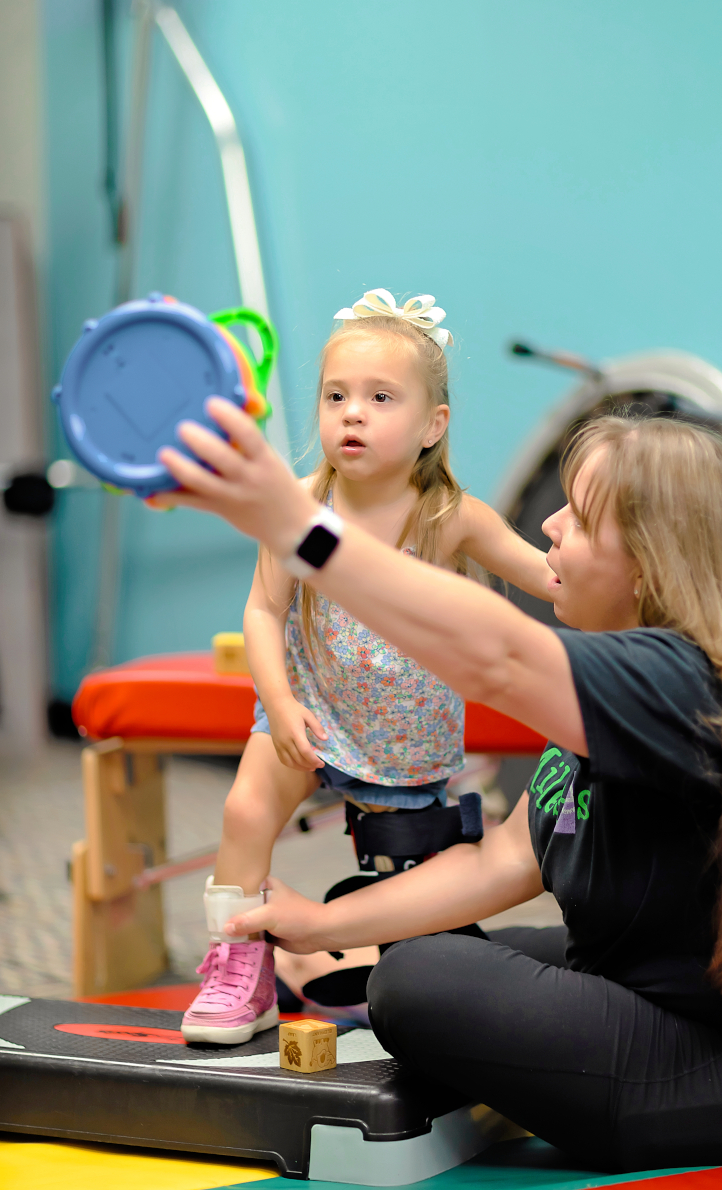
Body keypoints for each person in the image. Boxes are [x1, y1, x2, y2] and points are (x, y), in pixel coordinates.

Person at [157, 399, 722, 1171]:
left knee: (418, 978)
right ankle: (337, 970)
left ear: (651, 566)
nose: (550, 526)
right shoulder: (626, 681)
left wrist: (300, 525)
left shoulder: (686, 683)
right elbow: (499, 864)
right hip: (675, 989)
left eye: (580, 520)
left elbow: (495, 658)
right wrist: (316, 928)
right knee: (426, 948)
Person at [178, 290, 555, 1043]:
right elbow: (262, 611)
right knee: (245, 812)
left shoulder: (448, 517)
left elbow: (545, 576)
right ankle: (237, 961)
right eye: (336, 396)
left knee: (412, 871)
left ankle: (421, 975)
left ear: (430, 426)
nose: (352, 413)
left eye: (380, 398)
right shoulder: (301, 503)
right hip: (308, 710)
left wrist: (619, 576)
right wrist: (279, 706)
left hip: (403, 734)